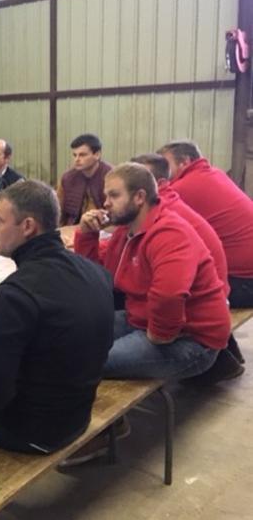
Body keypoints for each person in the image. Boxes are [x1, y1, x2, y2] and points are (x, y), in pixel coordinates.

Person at [0, 181, 114, 455]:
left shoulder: (14, 294)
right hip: (78, 415)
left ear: (27, 226)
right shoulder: (93, 270)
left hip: (36, 432)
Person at [74, 163, 231, 381]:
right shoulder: (127, 231)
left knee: (82, 363)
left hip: (191, 339)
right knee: (71, 336)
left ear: (139, 197)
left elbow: (169, 294)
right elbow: (97, 275)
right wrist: (86, 234)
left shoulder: (169, 232)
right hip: (140, 318)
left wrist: (159, 336)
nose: (106, 203)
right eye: (106, 196)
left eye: (114, 195)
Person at [158, 140, 253, 309]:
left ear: (185, 162)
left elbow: (144, 215)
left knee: (167, 290)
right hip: (246, 277)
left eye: (166, 164)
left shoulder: (182, 188)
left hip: (242, 284)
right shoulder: (216, 174)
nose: (162, 171)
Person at [57, 133, 112, 225]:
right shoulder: (67, 178)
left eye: (82, 155)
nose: (77, 159)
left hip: (104, 229)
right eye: (75, 155)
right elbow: (58, 211)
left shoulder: (112, 176)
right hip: (72, 228)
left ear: (97, 155)